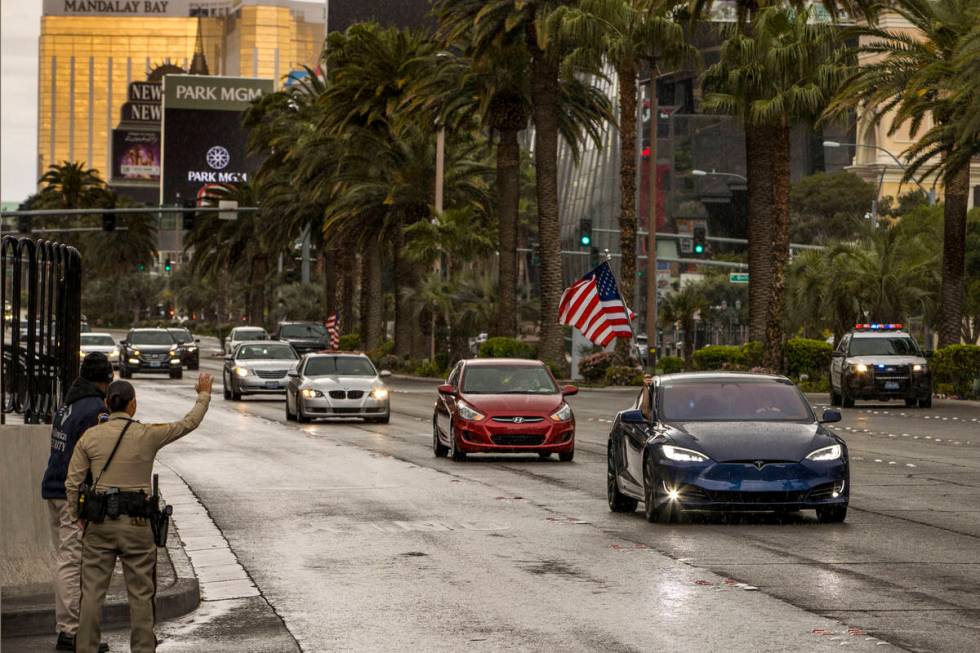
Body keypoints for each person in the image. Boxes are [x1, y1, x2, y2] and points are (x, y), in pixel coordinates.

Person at [65, 374, 213, 653]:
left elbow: (72, 482)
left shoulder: (90, 437)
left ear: (108, 404)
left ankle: (85, 647)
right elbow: (188, 423)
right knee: (141, 596)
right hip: (137, 525)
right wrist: (203, 395)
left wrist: (78, 516)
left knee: (92, 596)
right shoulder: (148, 434)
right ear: (133, 405)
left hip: (99, 525)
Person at [40, 352, 113, 652]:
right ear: (105, 380)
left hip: (54, 487)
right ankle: (70, 631)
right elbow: (97, 455)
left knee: (69, 557)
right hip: (73, 494)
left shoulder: (67, 405)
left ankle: (74, 629)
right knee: (72, 560)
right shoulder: (95, 409)